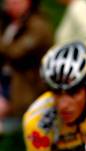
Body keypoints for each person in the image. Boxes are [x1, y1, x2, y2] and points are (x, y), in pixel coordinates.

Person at [0, 0, 52, 130]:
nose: (10, 4)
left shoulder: (38, 26)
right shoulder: (9, 23)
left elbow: (15, 52)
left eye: (16, 1)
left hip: (24, 86)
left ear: (28, 3)